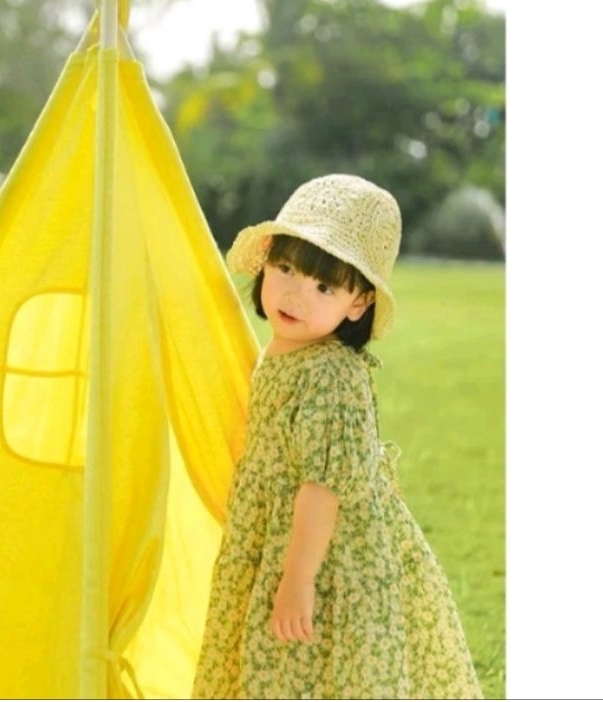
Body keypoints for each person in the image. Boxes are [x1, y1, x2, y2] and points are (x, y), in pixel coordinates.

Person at [191, 174, 483, 699]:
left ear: (358, 303)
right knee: (266, 655)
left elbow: (322, 486)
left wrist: (298, 579)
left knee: (306, 662)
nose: (295, 293)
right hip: (278, 539)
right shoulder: (285, 352)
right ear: (266, 262)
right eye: (286, 268)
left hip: (324, 556)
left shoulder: (330, 376)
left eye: (323, 286)